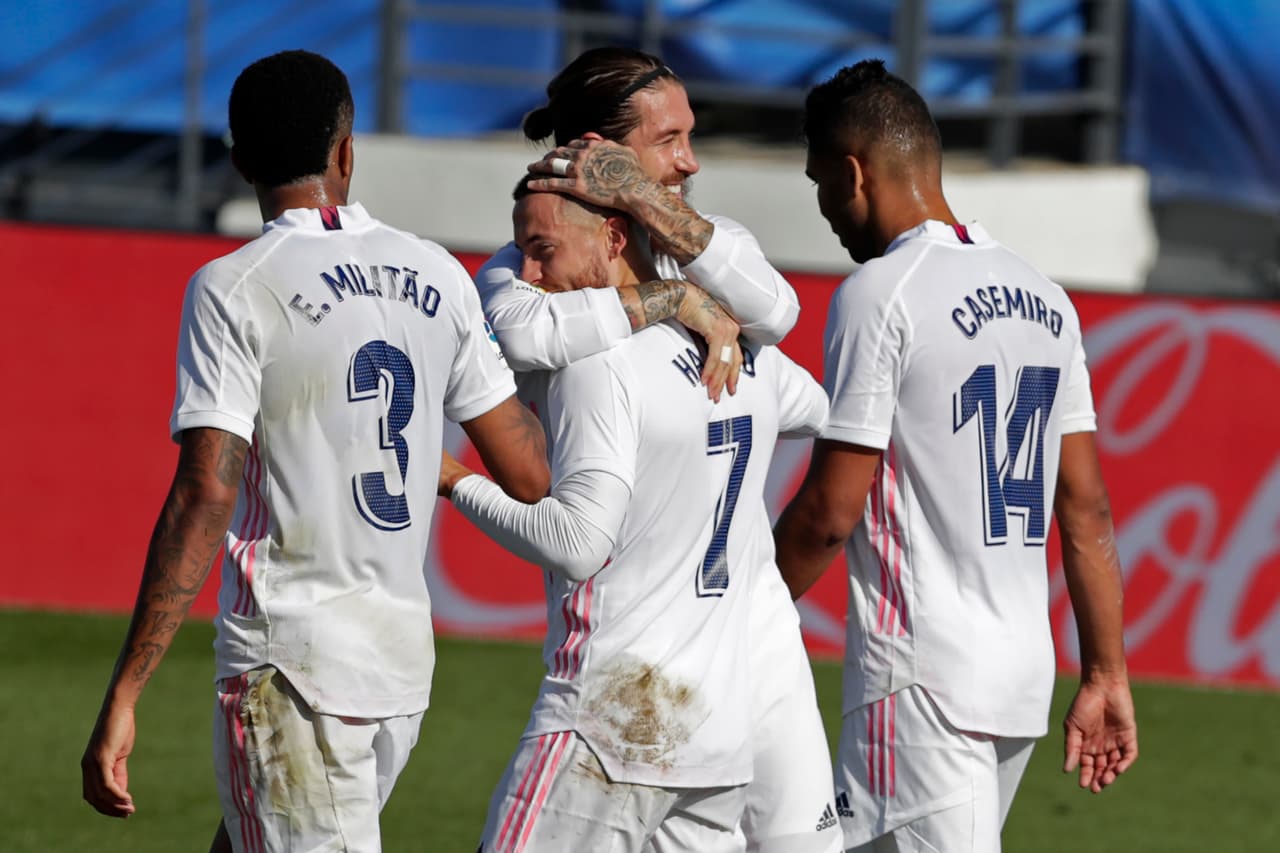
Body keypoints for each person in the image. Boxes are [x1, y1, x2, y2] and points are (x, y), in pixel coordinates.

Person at [79, 50, 550, 853]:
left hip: (293, 672)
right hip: (401, 671)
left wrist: (124, 690)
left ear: (238, 164)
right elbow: (532, 473)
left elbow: (206, 491)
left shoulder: (235, 285)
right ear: (346, 150)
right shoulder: (436, 271)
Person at [476, 47, 841, 853]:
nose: (689, 160)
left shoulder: (706, 256)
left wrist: (640, 196)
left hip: (724, 650)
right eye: (667, 140)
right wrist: (671, 298)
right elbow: (515, 328)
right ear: (596, 153)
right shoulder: (543, 274)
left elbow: (778, 314)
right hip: (673, 678)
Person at [772, 60, 1139, 852]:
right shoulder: (1046, 296)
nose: (827, 210)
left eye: (819, 185)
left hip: (921, 683)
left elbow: (830, 515)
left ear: (852, 172)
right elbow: (1087, 509)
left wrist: (731, 620)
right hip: (1017, 679)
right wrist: (1106, 672)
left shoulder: (881, 292)